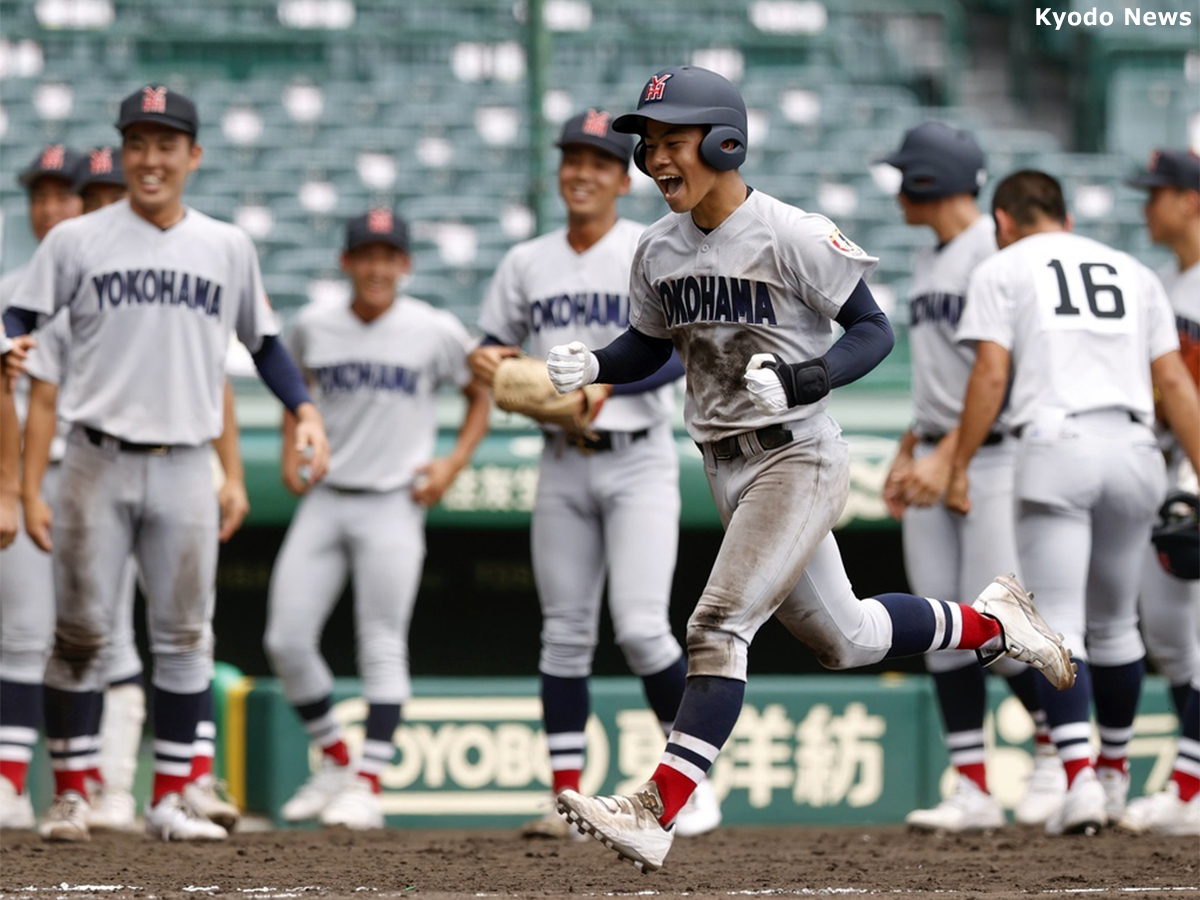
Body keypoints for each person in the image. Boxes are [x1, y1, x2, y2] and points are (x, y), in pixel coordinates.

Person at [541, 66, 1074, 873]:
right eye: (647, 144)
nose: (654, 159)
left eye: (670, 142)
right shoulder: (655, 247)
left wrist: (803, 378)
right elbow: (652, 342)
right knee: (848, 637)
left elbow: (873, 329)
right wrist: (599, 366)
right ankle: (997, 622)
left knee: (715, 627)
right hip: (726, 463)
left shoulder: (790, 231)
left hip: (796, 452)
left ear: (725, 143)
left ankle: (659, 809)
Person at [1, 84, 331, 842]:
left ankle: (176, 795)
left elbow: (266, 343)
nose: (151, 159)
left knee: (185, 637)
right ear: (124, 152)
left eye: (166, 144)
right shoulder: (78, 240)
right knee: (80, 637)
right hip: (93, 458)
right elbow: (17, 316)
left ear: (193, 156)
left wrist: (302, 408)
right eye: (138, 144)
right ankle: (76, 792)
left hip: (185, 462)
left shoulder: (224, 245)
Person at [469, 109, 719, 840]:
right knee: (563, 636)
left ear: (622, 176)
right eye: (572, 159)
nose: (581, 172)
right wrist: (487, 361)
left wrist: (610, 386)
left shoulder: (647, 249)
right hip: (561, 461)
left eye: (599, 161)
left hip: (637, 458)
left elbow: (679, 353)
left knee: (643, 629)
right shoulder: (526, 261)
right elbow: (492, 345)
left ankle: (688, 785)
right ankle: (568, 800)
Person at [946, 169, 1200, 836]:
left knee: (1056, 625)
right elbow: (1172, 380)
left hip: (1057, 442)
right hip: (1135, 445)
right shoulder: (1134, 271)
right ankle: (1114, 777)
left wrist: (960, 462)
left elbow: (991, 372)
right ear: (1062, 213)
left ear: (1003, 220)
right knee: (1117, 625)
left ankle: (1080, 780)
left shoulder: (1005, 268)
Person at [264, 207, 489, 830]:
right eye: (366, 255)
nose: (377, 267)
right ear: (346, 262)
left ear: (405, 265)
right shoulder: (314, 324)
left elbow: (481, 392)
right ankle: (337, 759)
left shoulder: (432, 328)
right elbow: (294, 385)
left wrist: (453, 464)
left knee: (382, 642)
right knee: (285, 638)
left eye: (389, 256)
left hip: (394, 500)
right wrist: (291, 443)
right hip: (329, 496)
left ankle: (368, 781)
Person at [877, 123, 1064, 832]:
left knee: (1001, 629)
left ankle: (1055, 754)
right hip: (938, 456)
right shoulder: (932, 259)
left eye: (906, 175)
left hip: (991, 459)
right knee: (940, 627)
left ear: (931, 180)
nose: (897, 187)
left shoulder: (996, 249)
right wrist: (910, 451)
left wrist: (948, 456)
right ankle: (974, 788)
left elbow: (1003, 375)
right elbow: (939, 380)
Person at [0, 144, 87, 831]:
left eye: (66, 195)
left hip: (97, 468)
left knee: (92, 638)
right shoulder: (9, 290)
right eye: (41, 196)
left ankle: (84, 784)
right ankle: (10, 782)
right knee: (25, 631)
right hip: (24, 469)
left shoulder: (112, 284)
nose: (51, 209)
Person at [1116, 148, 1200, 837]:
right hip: (1170, 472)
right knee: (1173, 643)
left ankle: (1186, 787)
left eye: (1158, 194)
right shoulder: (1168, 284)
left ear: (1192, 200)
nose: (1147, 205)